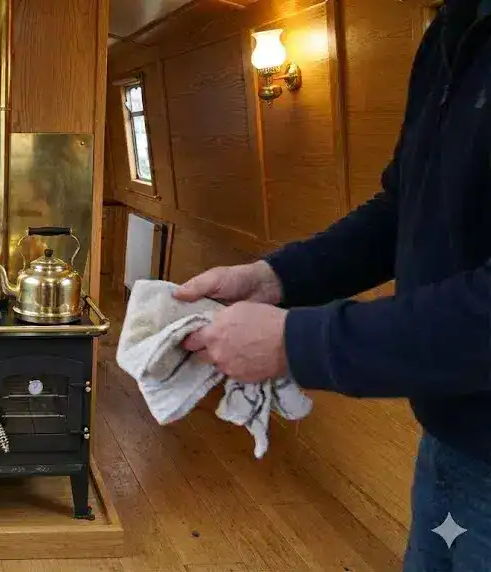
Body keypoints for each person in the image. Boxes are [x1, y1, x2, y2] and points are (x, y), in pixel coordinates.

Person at [171, 0, 491, 570]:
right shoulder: (451, 29)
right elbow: (402, 208)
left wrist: (295, 342)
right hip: (453, 439)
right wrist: (274, 278)